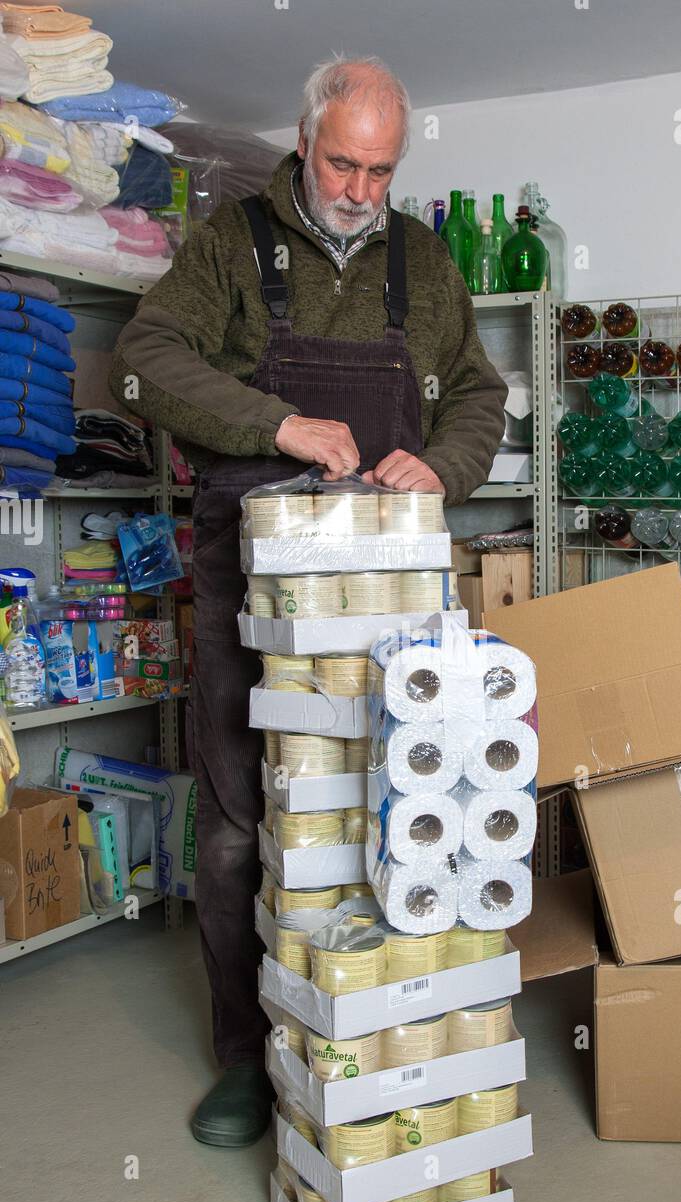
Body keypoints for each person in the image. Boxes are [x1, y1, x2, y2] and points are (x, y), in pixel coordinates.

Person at [109, 54, 507, 1147]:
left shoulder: (422, 262)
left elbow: (477, 390)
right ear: (302, 141)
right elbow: (139, 363)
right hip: (256, 574)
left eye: (381, 170)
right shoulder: (230, 244)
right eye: (343, 162)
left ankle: (380, 1034)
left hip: (386, 579)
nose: (360, 190)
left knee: (395, 800)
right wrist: (276, 425)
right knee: (245, 817)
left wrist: (449, 466)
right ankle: (247, 1055)